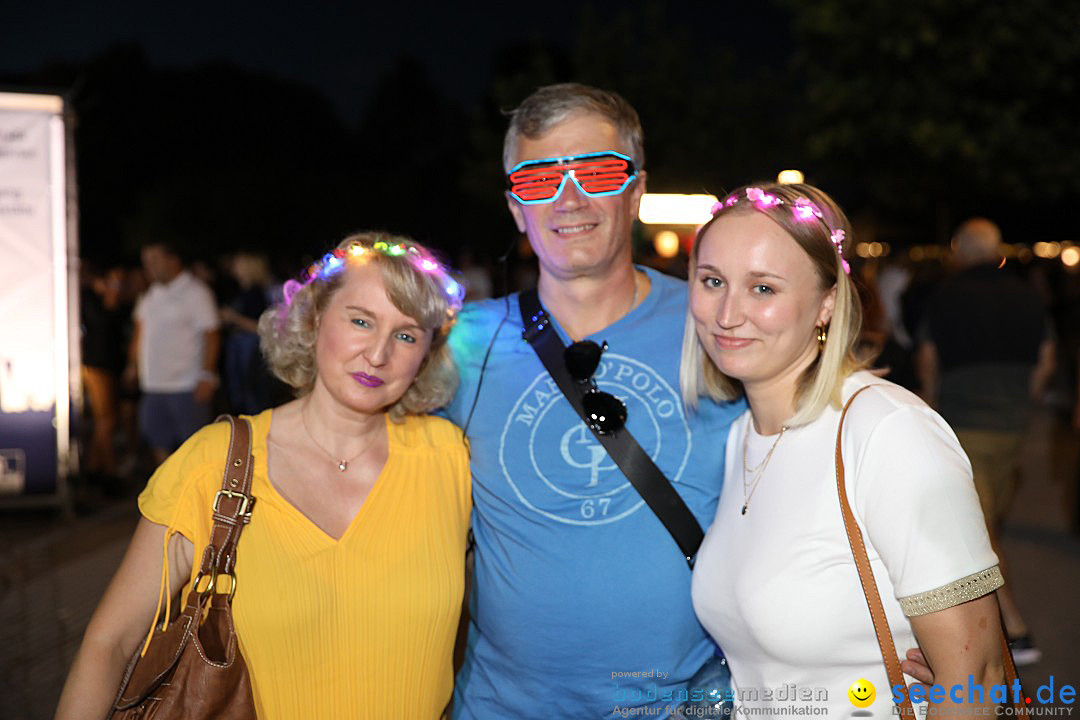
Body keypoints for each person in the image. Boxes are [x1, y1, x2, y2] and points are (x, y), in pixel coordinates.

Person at [56, 233, 470, 719]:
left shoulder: (450, 460)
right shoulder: (216, 463)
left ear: (427, 352)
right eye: (361, 321)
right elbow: (111, 641)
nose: (378, 355)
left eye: (406, 335)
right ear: (314, 321)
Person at [442, 83, 745, 717]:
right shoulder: (458, 347)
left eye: (597, 172)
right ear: (515, 208)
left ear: (636, 191)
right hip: (502, 708)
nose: (569, 198)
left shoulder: (717, 326)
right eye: (536, 180)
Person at [684, 183, 1009, 717]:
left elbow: (976, 677)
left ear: (827, 302)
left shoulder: (888, 431)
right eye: (712, 281)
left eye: (763, 289)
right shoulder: (743, 436)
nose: (727, 313)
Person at [917, 218, 1055, 664]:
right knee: (986, 520)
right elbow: (1047, 357)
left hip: (963, 425)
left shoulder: (946, 296)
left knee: (979, 531)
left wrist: (929, 401)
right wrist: (1026, 396)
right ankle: (1005, 623)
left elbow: (928, 356)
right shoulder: (1029, 297)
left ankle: (1016, 630)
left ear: (959, 250)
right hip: (1013, 427)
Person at [124, 241, 222, 467]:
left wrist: (207, 375)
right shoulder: (150, 295)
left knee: (194, 446)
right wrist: (132, 366)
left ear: (173, 260)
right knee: (156, 439)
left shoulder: (196, 292)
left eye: (154, 260)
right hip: (154, 385)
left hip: (186, 386)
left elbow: (212, 335)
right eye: (146, 262)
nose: (149, 266)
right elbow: (140, 332)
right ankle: (173, 493)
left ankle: (196, 496)